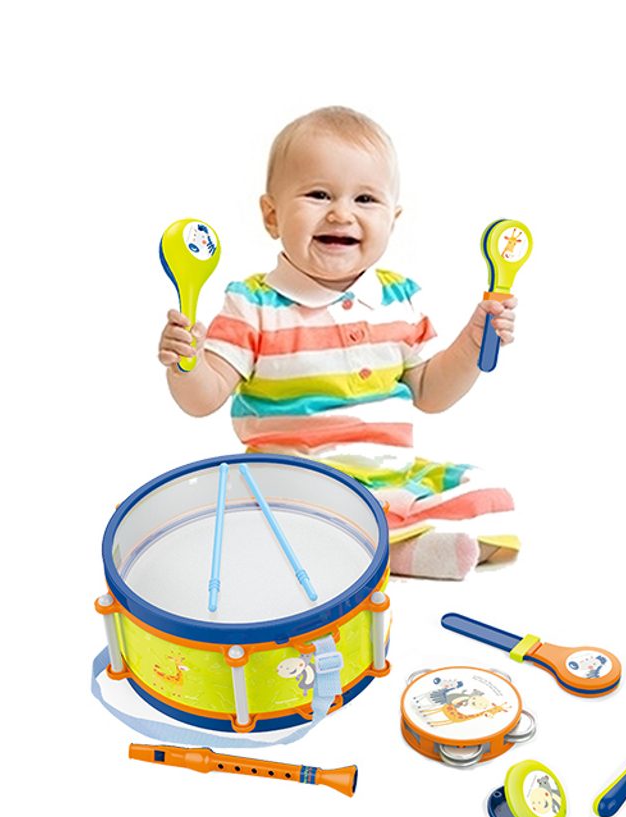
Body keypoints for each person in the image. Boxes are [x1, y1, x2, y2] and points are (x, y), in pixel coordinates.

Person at [158, 106, 519, 579]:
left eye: (365, 199)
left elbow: (431, 393)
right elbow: (201, 399)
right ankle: (397, 550)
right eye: (318, 194)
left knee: (487, 493)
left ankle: (384, 543)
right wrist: (186, 361)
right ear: (271, 215)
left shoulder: (399, 299)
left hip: (389, 477)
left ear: (393, 219)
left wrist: (473, 343)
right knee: (280, 517)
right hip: (296, 484)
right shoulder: (253, 304)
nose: (341, 213)